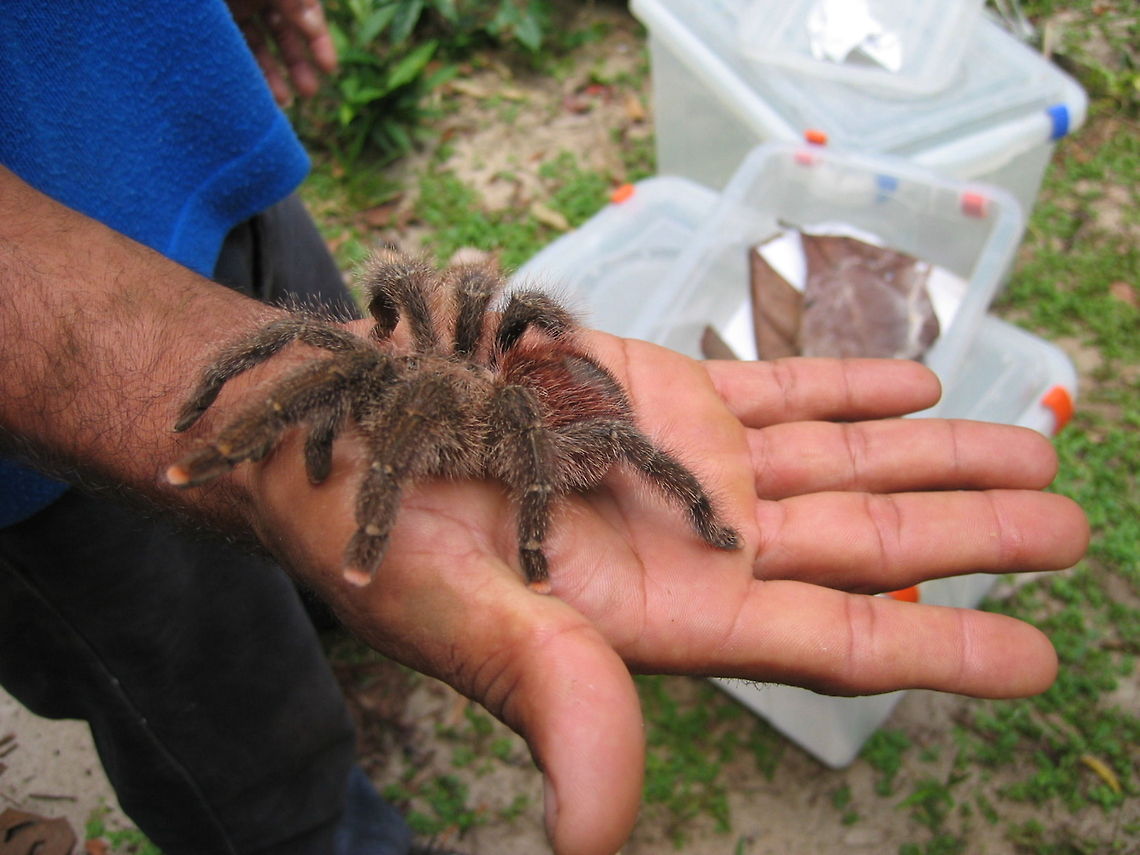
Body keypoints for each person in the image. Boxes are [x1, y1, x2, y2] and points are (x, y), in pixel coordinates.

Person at [0, 3, 1089, 855]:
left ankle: (334, 599)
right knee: (318, 362)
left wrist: (522, 527)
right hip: (50, 425)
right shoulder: (418, 372)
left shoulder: (506, 402)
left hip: (185, 129)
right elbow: (405, 339)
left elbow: (517, 352)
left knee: (378, 369)